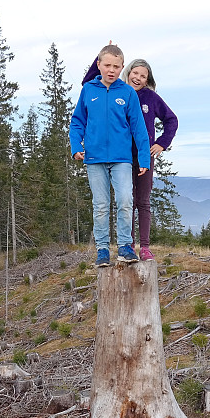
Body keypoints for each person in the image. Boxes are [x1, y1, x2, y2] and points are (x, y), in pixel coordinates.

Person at [83, 54, 178, 261]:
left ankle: (144, 247)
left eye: (143, 76)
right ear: (127, 72)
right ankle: (128, 245)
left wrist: (162, 143)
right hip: (118, 155)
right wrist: (100, 56)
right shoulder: (117, 90)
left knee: (141, 201)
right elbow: (89, 82)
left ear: (148, 79)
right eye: (135, 73)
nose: (138, 78)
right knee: (124, 200)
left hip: (144, 154)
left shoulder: (151, 98)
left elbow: (171, 120)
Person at [70, 44, 151, 267]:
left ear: (122, 67)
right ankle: (102, 250)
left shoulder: (126, 93)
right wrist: (75, 145)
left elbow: (139, 129)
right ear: (98, 65)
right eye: (107, 65)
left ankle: (125, 246)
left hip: (122, 159)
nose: (111, 70)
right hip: (94, 158)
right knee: (101, 205)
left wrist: (144, 158)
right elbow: (77, 121)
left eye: (116, 66)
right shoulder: (88, 90)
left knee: (125, 200)